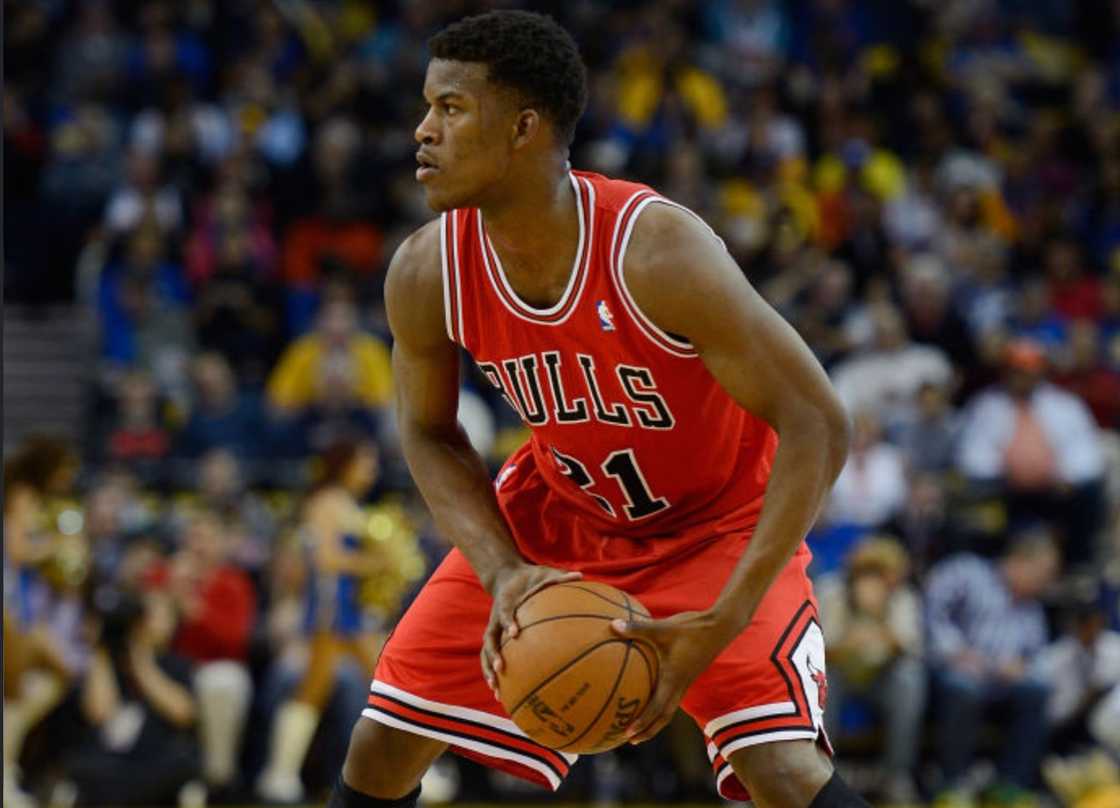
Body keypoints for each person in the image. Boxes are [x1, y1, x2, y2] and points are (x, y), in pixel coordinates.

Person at [331, 11, 858, 808]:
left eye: (450, 108)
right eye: (427, 107)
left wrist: (727, 613)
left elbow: (819, 421)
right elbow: (429, 431)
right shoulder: (426, 271)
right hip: (557, 521)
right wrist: (502, 568)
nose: (421, 131)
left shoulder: (657, 253)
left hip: (714, 527)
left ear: (523, 128)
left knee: (782, 771)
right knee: (379, 748)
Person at [257, 439, 389, 803]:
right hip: (333, 609)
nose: (371, 469)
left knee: (381, 684)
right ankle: (279, 774)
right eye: (365, 460)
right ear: (344, 463)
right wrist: (376, 563)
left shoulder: (347, 502)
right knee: (361, 685)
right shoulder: (326, 502)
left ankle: (280, 774)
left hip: (352, 611)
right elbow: (327, 560)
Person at [924, 530, 1060, 804]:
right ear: (1019, 560)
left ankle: (1011, 784)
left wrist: (1023, 667)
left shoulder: (1031, 607)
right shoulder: (967, 571)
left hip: (1000, 680)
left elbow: (1039, 656)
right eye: (1043, 572)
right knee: (964, 687)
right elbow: (931, 607)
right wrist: (957, 651)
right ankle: (952, 784)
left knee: (1038, 689)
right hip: (952, 668)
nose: (1047, 582)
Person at [819, 537, 925, 803]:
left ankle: (897, 775)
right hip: (839, 675)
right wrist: (849, 641)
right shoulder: (832, 591)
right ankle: (821, 773)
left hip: (881, 679)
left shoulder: (902, 596)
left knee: (910, 679)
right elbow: (818, 650)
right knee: (821, 679)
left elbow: (912, 648)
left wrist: (881, 622)